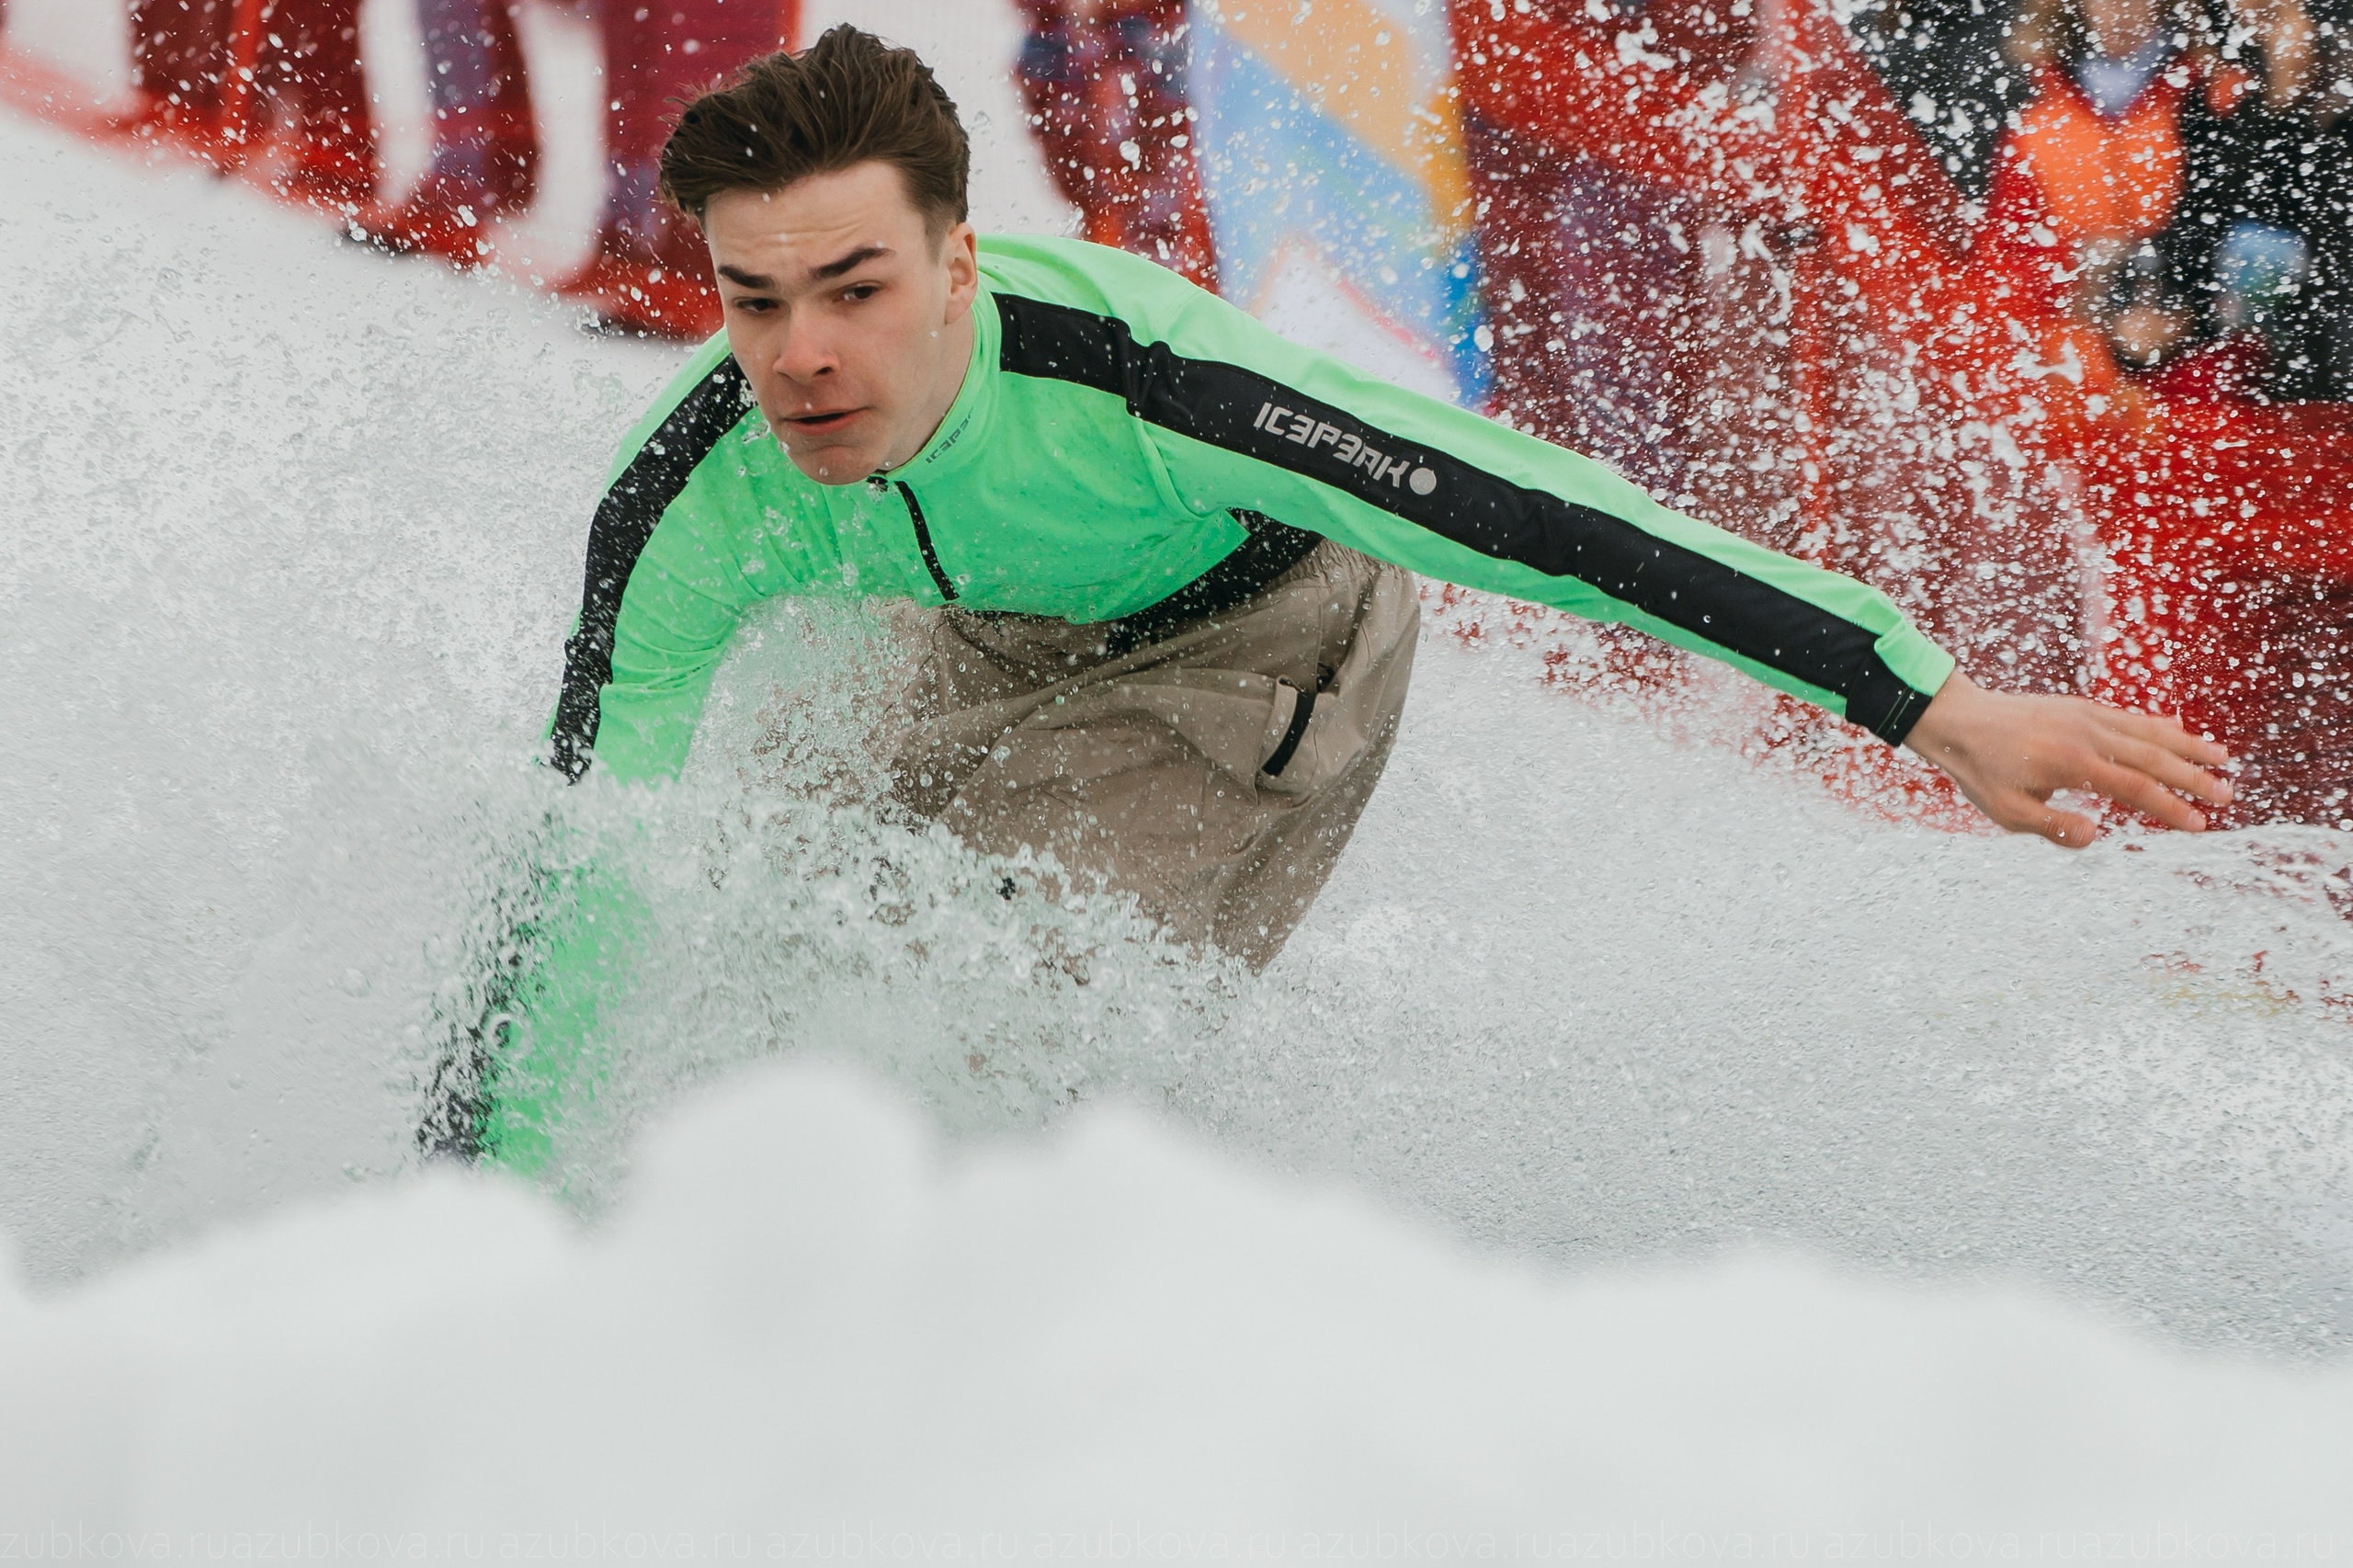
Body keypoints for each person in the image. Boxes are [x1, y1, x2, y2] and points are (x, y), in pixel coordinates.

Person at [443, 24, 2234, 1171]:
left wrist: (1910, 694)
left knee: (979, 1039)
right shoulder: (693, 493)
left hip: (1241, 646)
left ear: (958, 260)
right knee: (751, 937)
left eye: (853, 287)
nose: (803, 358)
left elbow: (1529, 512)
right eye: (756, 303)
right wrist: (464, 1224)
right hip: (965, 620)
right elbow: (581, 840)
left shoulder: (1145, 380)